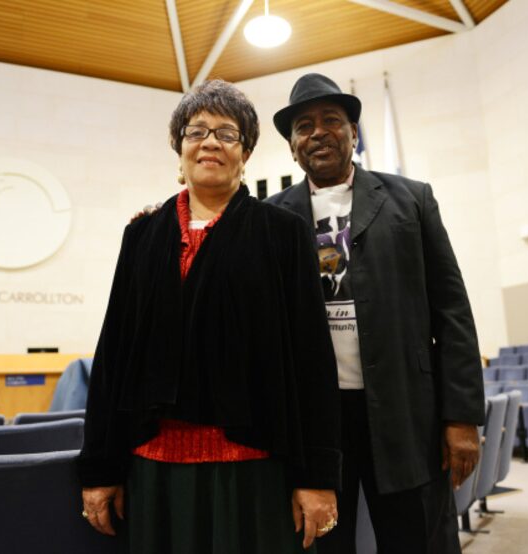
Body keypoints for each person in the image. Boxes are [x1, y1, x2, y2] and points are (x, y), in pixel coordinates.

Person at [77, 79, 341, 554]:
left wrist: (316, 477)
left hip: (254, 465)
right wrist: (99, 469)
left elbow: (311, 360)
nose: (211, 142)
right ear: (179, 149)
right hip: (152, 466)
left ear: (246, 154)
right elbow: (114, 354)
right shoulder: (141, 235)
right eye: (196, 131)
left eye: (227, 133)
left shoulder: (283, 233)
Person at [266, 73, 485, 554]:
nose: (318, 132)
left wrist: (462, 417)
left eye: (332, 121)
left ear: (354, 133)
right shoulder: (269, 218)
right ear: (292, 146)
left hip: (408, 413)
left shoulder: (411, 199)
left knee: (418, 540)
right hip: (316, 423)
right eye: (304, 126)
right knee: (321, 544)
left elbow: (452, 309)